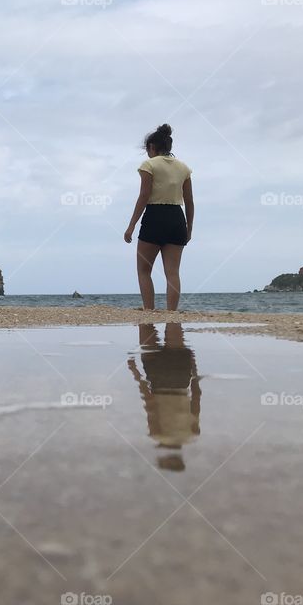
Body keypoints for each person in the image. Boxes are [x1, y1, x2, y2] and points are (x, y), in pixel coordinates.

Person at [124, 124, 194, 311]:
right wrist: (189, 228)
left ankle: (149, 310)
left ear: (152, 147)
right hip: (177, 218)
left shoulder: (149, 165)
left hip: (155, 217)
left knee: (144, 270)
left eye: (147, 149)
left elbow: (144, 196)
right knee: (173, 273)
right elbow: (189, 201)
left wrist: (131, 225)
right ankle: (172, 313)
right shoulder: (184, 168)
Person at [128, 323, 201, 472]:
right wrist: (134, 371)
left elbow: (197, 395)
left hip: (180, 377)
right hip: (157, 379)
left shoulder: (193, 434)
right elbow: (149, 402)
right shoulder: (157, 435)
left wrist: (193, 365)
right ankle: (152, 314)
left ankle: (165, 312)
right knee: (146, 326)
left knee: (173, 323)